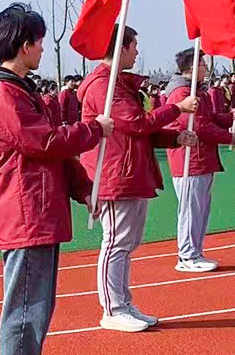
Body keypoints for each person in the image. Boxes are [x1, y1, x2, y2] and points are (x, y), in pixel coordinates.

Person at [0, 4, 106, 355]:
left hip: (37, 209)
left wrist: (83, 187)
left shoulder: (23, 91)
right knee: (25, 308)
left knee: (37, 306)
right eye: (39, 41)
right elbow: (44, 143)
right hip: (23, 213)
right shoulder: (3, 94)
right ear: (24, 44)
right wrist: (92, 130)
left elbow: (53, 153)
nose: (43, 49)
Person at [79, 27, 194, 331]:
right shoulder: (104, 86)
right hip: (115, 173)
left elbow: (138, 128)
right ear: (121, 48)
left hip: (128, 169)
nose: (137, 53)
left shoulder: (119, 84)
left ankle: (123, 302)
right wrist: (176, 109)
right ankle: (113, 308)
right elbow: (134, 123)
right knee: (116, 241)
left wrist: (175, 137)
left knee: (127, 242)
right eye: (134, 46)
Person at [165, 48, 231, 273]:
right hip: (189, 160)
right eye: (202, 63)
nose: (206, 67)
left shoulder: (196, 92)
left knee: (200, 209)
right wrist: (229, 136)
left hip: (201, 159)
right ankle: (187, 255)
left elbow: (208, 119)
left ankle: (195, 252)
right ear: (192, 68)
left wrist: (229, 119)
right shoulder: (182, 94)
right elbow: (199, 125)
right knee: (190, 210)